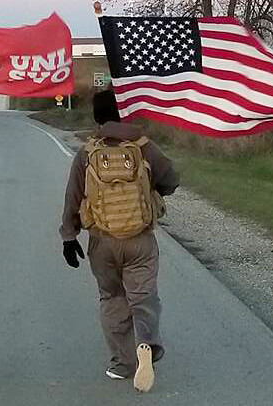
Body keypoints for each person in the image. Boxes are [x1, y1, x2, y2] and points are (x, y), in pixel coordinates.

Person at [59, 90, 179, 393]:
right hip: (139, 240)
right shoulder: (143, 147)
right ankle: (146, 345)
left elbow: (72, 198)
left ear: (97, 118)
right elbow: (172, 179)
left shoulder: (87, 153)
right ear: (124, 111)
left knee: (112, 299)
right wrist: (152, 190)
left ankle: (121, 364)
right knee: (143, 297)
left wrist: (69, 237)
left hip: (102, 241)